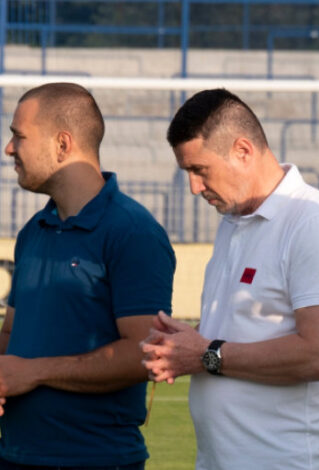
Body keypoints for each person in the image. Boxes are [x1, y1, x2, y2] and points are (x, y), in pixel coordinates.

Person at [140, 88, 319, 470]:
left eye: (199, 170)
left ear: (243, 151)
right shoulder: (232, 220)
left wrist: (205, 354)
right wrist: (184, 346)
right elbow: (244, 331)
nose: (194, 187)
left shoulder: (312, 221)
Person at [0, 82, 175, 468]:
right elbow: (11, 335)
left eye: (19, 136)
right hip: (14, 454)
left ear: (62, 144)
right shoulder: (32, 232)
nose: (9, 148)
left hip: (93, 458)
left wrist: (34, 373)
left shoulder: (133, 232)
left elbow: (145, 353)